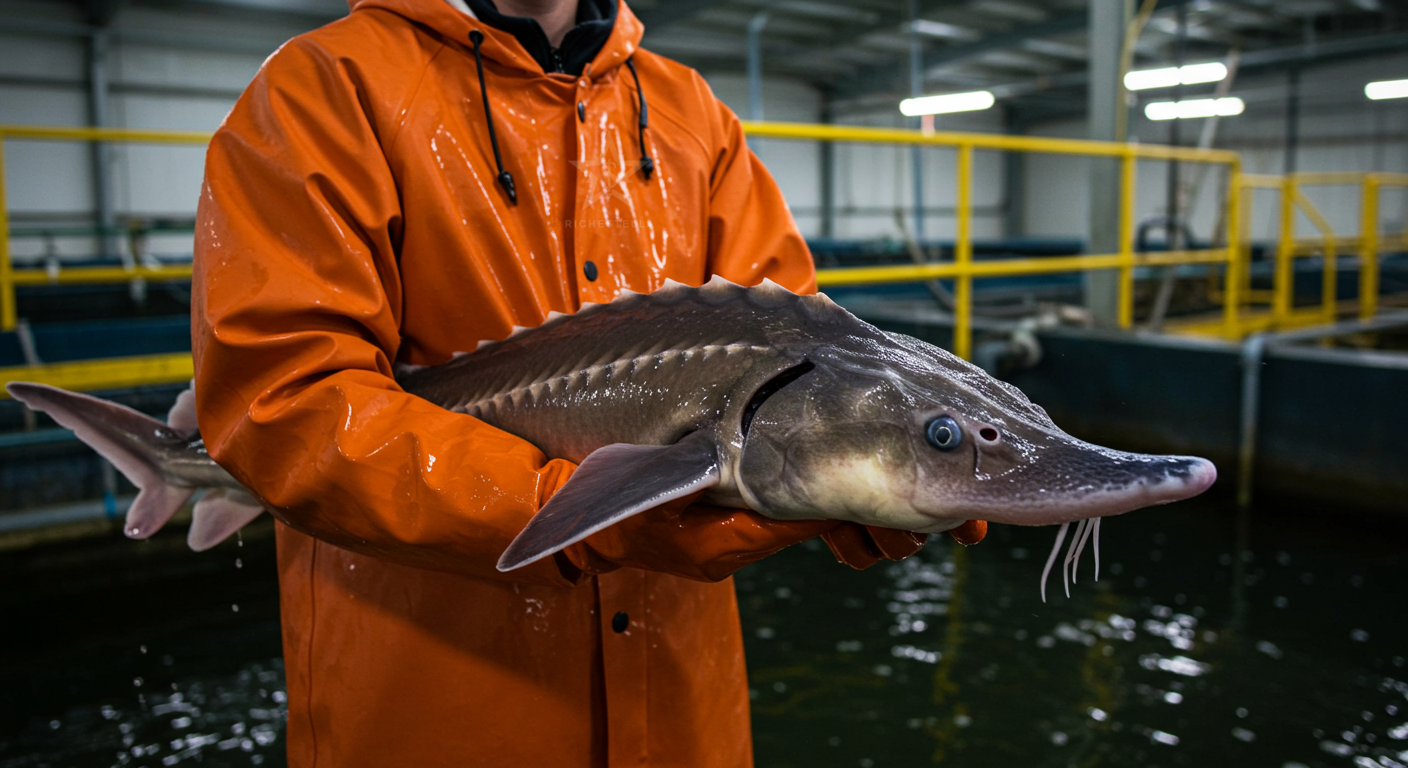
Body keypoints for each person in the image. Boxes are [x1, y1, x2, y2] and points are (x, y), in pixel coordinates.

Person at [192, 0, 962, 764]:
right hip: (430, 710)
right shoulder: (328, 86)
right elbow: (284, 399)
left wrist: (845, 479)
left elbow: (802, 345)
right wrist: (579, 509)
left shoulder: (690, 112)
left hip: (680, 717)